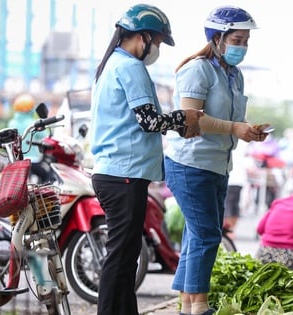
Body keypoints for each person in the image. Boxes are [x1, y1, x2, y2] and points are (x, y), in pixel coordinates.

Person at [88, 4, 203, 315]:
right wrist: (184, 118)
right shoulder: (130, 68)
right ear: (143, 37)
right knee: (121, 257)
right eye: (160, 42)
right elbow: (149, 121)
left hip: (118, 173)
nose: (159, 49)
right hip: (123, 174)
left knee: (126, 258)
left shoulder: (113, 64)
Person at [162, 6, 266, 315]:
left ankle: (185, 305)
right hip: (189, 164)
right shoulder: (197, 69)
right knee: (208, 234)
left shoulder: (235, 75)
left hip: (218, 164)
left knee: (198, 234)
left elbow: (231, 118)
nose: (242, 46)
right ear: (217, 37)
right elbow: (192, 120)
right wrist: (235, 128)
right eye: (237, 39)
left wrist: (248, 129)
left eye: (246, 40)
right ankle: (199, 307)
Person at [6, 94, 52, 183]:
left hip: (17, 161)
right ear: (30, 109)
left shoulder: (11, 124)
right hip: (33, 161)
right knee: (48, 177)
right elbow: (46, 137)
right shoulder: (33, 123)